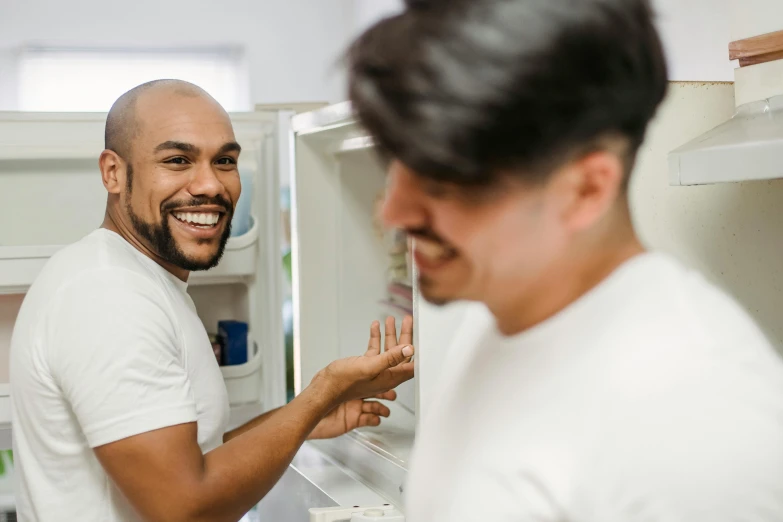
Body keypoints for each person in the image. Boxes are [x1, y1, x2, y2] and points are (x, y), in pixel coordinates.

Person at [347, 0, 783, 520]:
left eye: (443, 179)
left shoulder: (695, 413)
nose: (393, 212)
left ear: (586, 189)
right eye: (396, 166)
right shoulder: (493, 315)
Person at [10, 79, 415, 522]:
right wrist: (319, 394)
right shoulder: (108, 297)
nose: (209, 184)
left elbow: (192, 455)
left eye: (224, 161)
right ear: (113, 172)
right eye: (177, 160)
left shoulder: (135, 280)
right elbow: (184, 506)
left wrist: (309, 418)